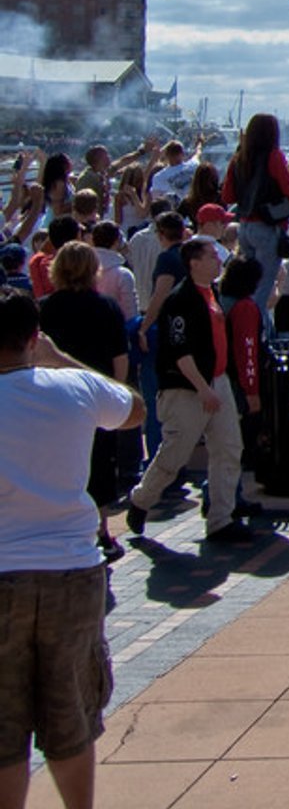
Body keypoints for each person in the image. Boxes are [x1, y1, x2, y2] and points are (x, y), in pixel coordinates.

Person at [0, 288, 142, 809]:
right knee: (71, 715)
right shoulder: (74, 385)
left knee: (3, 726)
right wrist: (59, 359)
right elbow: (134, 411)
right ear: (33, 337)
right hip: (72, 570)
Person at [124, 239, 251, 545]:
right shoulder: (180, 299)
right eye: (211, 256)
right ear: (194, 262)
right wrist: (203, 388)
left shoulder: (213, 294)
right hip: (187, 387)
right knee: (175, 454)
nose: (218, 261)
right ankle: (141, 499)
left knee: (229, 449)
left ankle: (221, 520)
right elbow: (180, 350)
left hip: (215, 380)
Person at [38, 244, 132, 563]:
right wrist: (119, 392)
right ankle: (101, 529)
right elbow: (120, 357)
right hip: (97, 395)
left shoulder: (44, 308)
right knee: (101, 464)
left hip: (54, 397)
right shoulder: (106, 307)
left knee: (59, 462)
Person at [220, 113, 289, 309]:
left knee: (246, 286)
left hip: (245, 227)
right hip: (268, 226)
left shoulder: (239, 158)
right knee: (261, 290)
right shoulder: (274, 156)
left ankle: (242, 328)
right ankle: (256, 332)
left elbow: (227, 196)